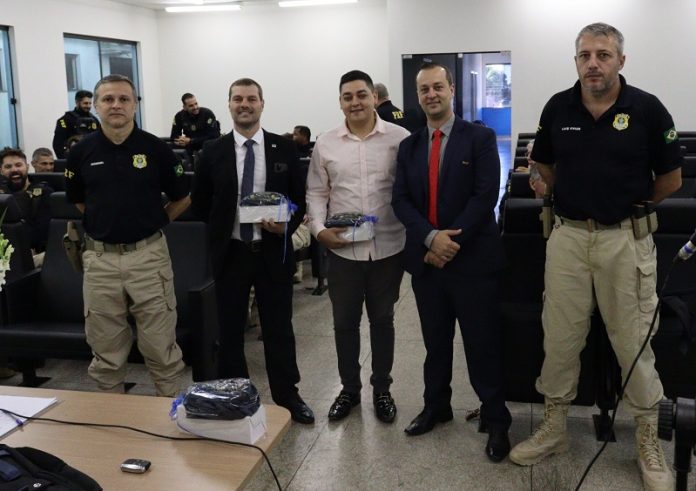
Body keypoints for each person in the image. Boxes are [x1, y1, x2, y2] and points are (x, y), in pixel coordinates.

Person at [507, 23, 682, 491]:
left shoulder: (647, 109)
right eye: (585, 55)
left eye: (603, 55)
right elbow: (544, 164)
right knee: (560, 338)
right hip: (567, 238)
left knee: (634, 341)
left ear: (621, 60)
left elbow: (670, 179)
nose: (593, 64)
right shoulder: (558, 107)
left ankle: (648, 437)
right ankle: (555, 427)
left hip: (625, 241)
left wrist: (628, 204)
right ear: (576, 62)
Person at [392, 62, 511, 462]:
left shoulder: (479, 137)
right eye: (424, 89)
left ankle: (496, 418)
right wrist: (430, 239)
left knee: (482, 345)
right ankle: (437, 407)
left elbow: (485, 195)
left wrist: (448, 241)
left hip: (473, 262)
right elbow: (400, 201)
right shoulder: (409, 146)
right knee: (435, 343)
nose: (431, 95)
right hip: (428, 262)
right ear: (418, 96)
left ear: (452, 90)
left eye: (437, 87)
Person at [190, 78, 314, 424]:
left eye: (251, 99)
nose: (244, 104)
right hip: (230, 252)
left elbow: (299, 199)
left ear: (262, 103)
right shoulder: (212, 150)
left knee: (279, 328)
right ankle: (237, 397)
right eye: (238, 99)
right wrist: (223, 221)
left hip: (272, 251)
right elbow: (199, 203)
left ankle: (288, 396)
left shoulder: (283, 148)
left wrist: (285, 222)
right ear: (229, 104)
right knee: (230, 330)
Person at [65, 74, 190, 397]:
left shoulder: (156, 149)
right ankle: (112, 420)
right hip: (100, 260)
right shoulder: (81, 152)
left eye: (124, 99)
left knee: (161, 346)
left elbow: (182, 197)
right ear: (96, 106)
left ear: (135, 104)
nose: (116, 105)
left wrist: (154, 222)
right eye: (108, 99)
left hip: (148, 257)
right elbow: (79, 200)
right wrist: (107, 223)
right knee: (105, 351)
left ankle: (168, 415)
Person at [306, 70, 409, 424]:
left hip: (388, 248)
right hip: (342, 250)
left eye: (361, 95)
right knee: (344, 324)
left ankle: (382, 389)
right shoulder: (326, 143)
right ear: (340, 102)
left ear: (374, 97)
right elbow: (316, 192)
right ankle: (349, 389)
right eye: (347, 97)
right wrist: (319, 230)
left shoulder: (399, 138)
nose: (355, 102)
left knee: (383, 321)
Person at [0, 147, 53, 256]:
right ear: (1, 171)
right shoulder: (2, 196)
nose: (14, 170)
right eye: (8, 167)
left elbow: (43, 233)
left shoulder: (44, 193)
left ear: (27, 167)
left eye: (18, 165)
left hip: (35, 253)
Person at [52, 90, 100, 158]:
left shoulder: (94, 120)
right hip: (73, 157)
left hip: (91, 157)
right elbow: (57, 144)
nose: (88, 106)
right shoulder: (65, 120)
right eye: (85, 103)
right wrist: (65, 160)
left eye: (90, 103)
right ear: (77, 102)